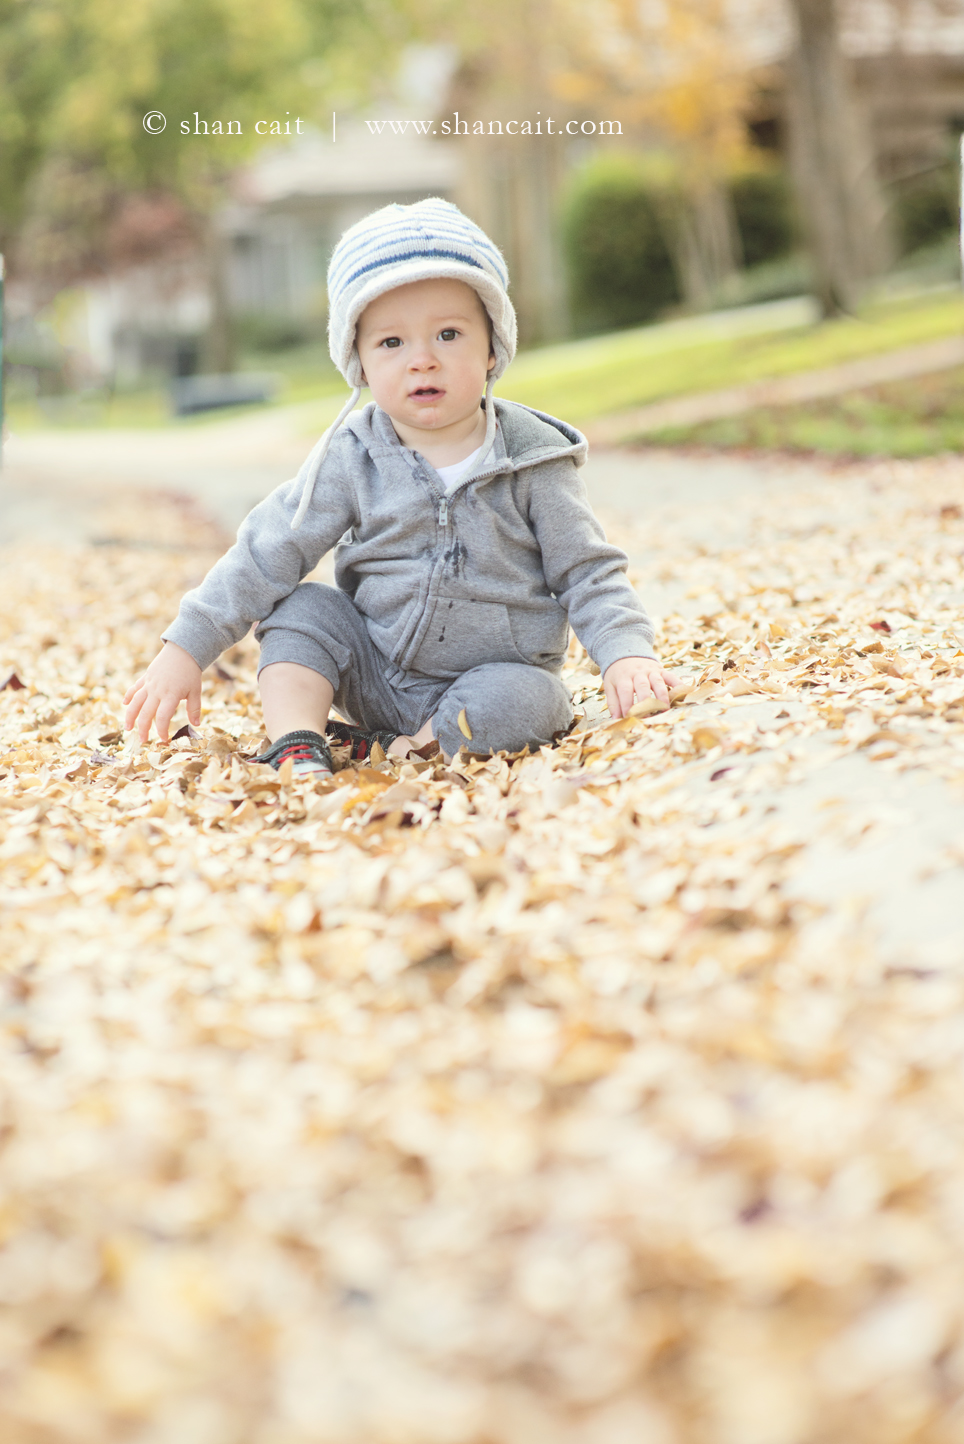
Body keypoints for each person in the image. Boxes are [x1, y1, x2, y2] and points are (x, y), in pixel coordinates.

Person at [124, 198, 678, 779]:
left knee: (533, 700)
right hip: (374, 671)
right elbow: (267, 551)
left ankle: (406, 748)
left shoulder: (534, 457)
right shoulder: (352, 456)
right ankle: (296, 740)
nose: (422, 361)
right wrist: (184, 649)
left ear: (492, 348)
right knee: (299, 608)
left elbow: (586, 571)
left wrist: (626, 653)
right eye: (391, 343)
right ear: (358, 362)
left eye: (448, 334)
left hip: (489, 679)